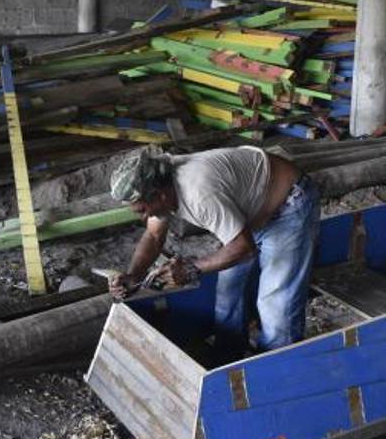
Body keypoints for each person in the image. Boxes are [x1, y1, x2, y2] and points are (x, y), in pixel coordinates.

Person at [107, 146, 319, 354]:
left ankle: (276, 370)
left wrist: (191, 269)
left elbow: (244, 248)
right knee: (228, 289)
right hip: (251, 211)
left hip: (288, 204)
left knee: (275, 302)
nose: (143, 217)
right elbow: (154, 236)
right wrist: (133, 275)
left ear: (158, 195)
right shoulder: (160, 183)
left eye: (142, 210)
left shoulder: (198, 194)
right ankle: (229, 355)